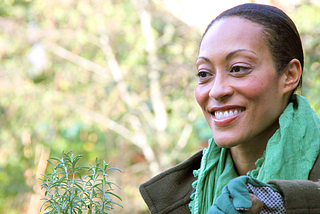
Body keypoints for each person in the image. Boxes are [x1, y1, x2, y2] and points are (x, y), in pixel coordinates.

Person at [139, 3, 320, 214]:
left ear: (289, 75)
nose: (216, 91)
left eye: (238, 69)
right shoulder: (181, 198)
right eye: (204, 74)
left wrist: (277, 204)